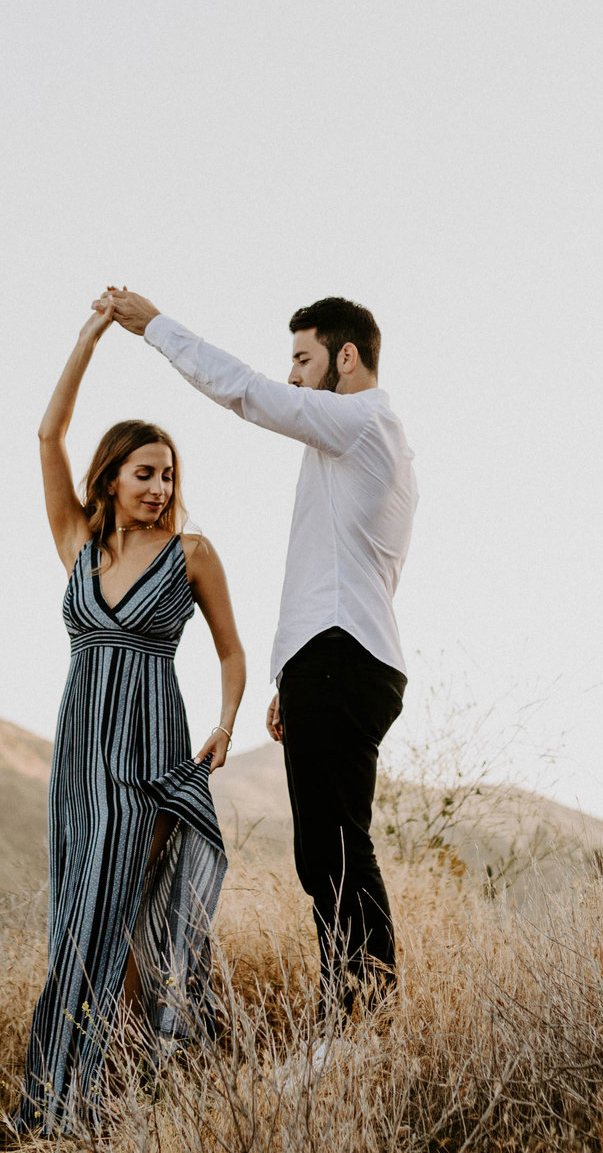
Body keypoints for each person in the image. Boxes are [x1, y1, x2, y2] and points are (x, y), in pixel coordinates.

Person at [101, 289, 415, 1020]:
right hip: (340, 657)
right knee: (330, 846)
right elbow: (335, 566)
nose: (296, 378)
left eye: (304, 359)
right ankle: (355, 1008)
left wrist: (155, 327)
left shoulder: (360, 420)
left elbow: (246, 393)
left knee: (333, 848)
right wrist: (292, 671)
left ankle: (361, 1015)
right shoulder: (372, 443)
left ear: (346, 355)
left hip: (340, 658)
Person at [12, 302, 247, 1135]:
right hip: (79, 757)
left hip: (150, 754)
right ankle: (97, 1093)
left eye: (169, 475)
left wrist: (226, 720)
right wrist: (87, 339)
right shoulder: (77, 542)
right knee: (91, 910)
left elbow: (228, 650)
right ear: (110, 476)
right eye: (144, 472)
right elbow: (48, 435)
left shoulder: (192, 555)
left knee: (128, 908)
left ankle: (107, 1092)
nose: (159, 488)